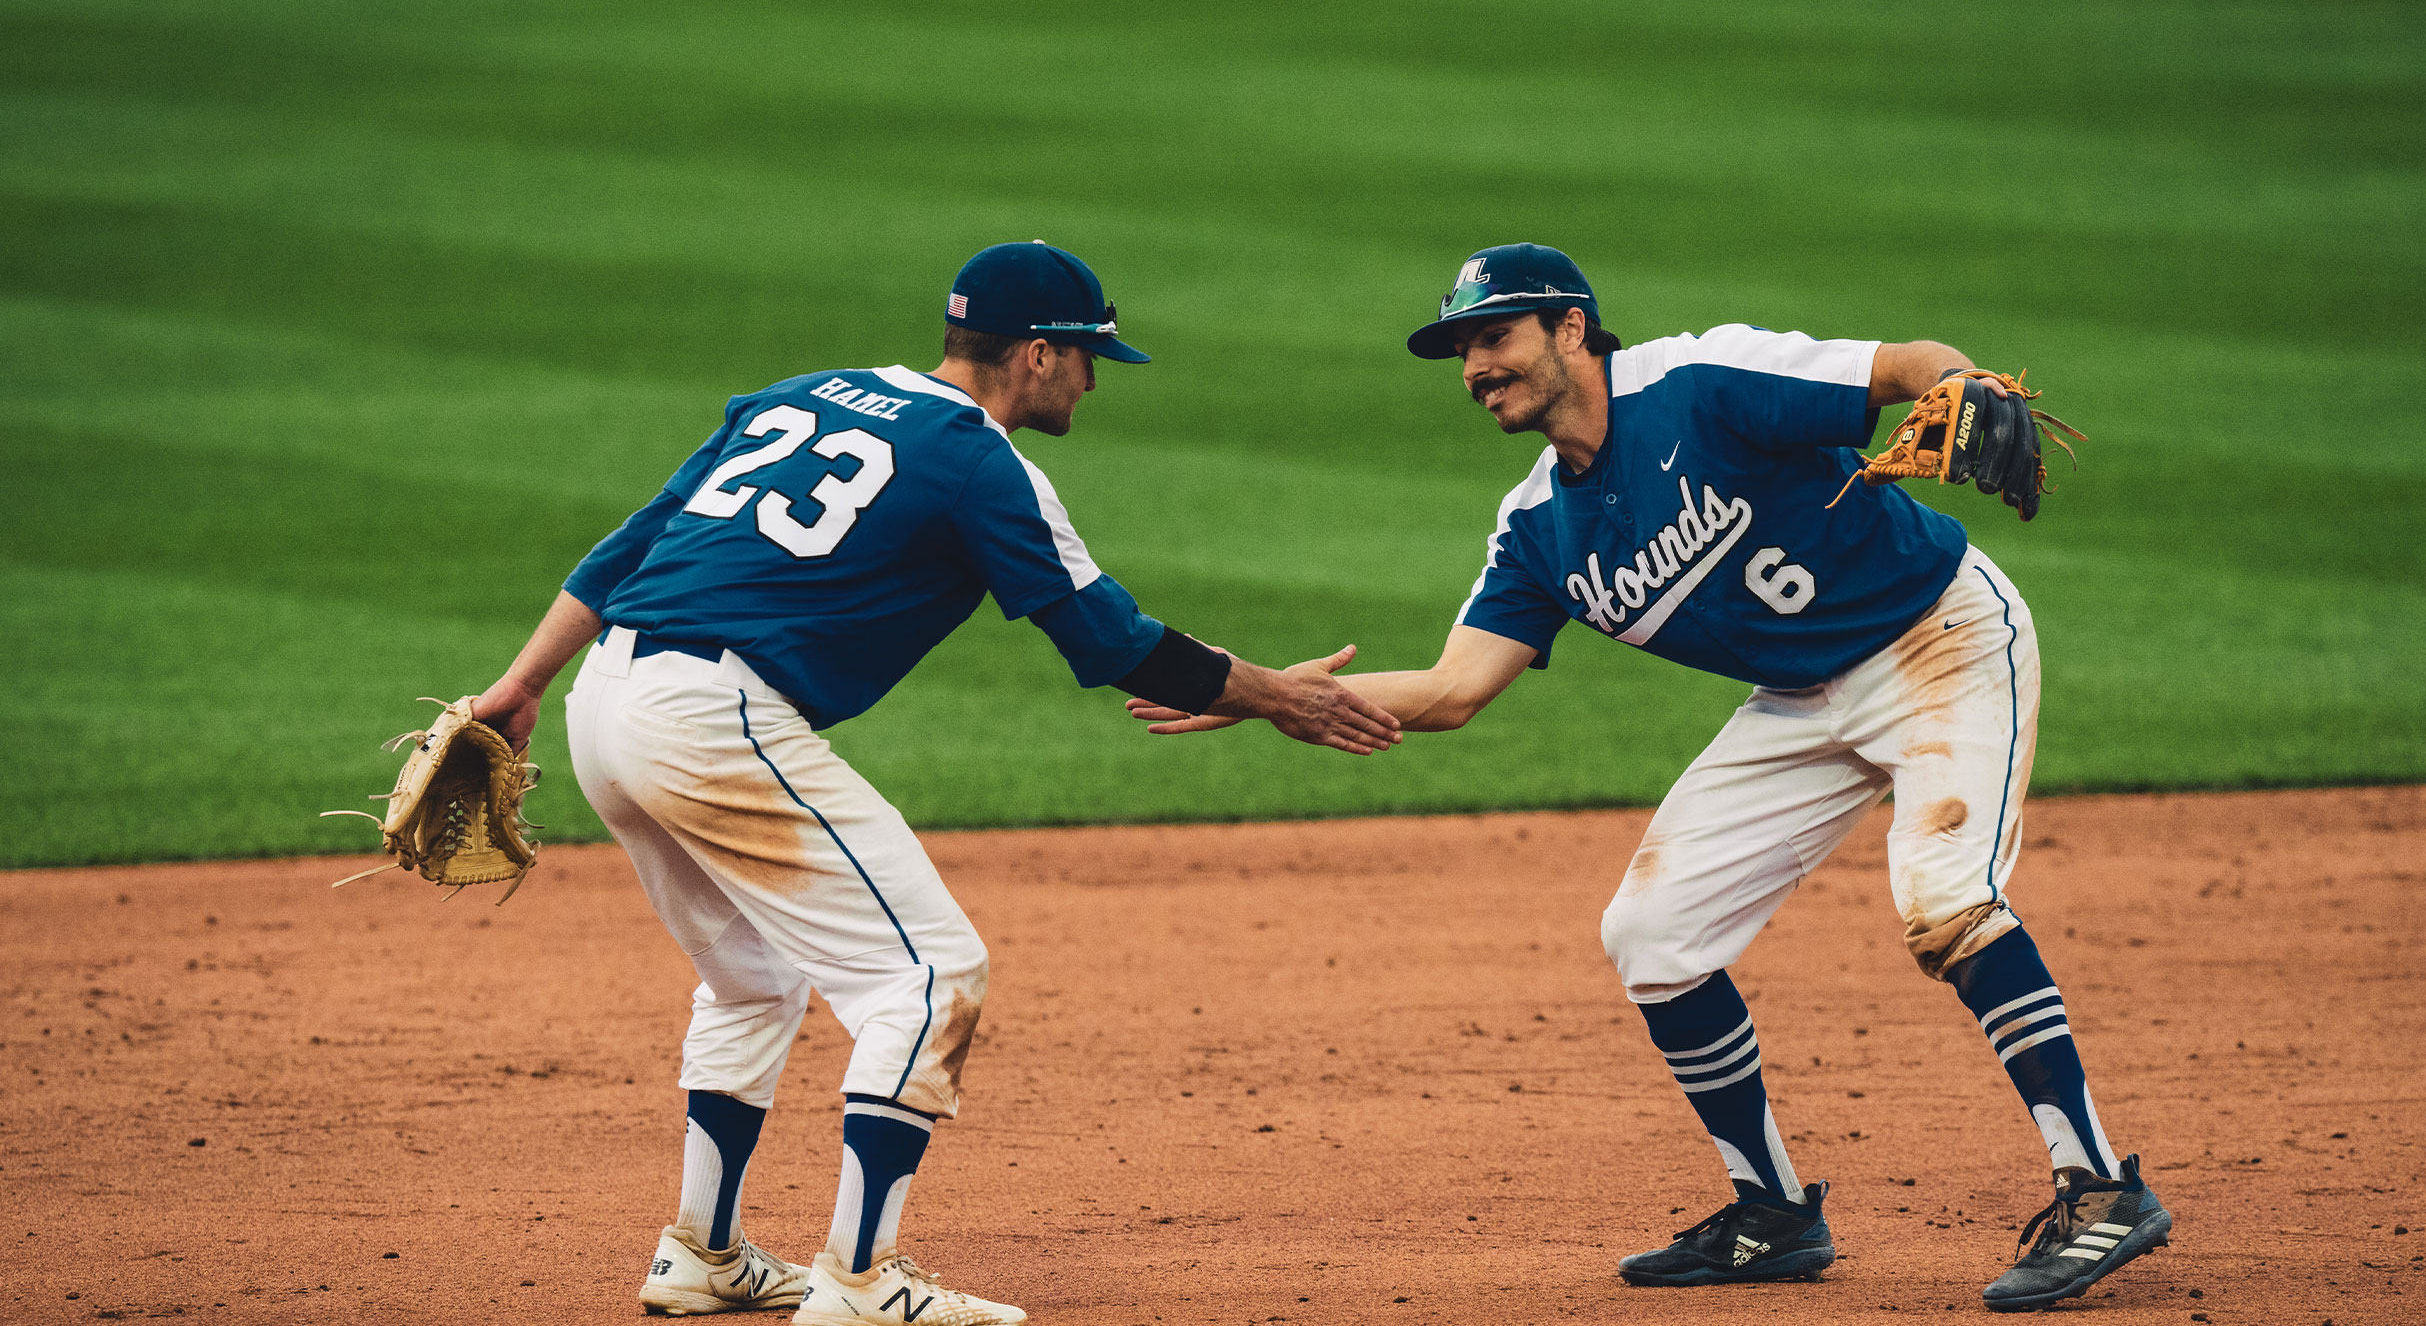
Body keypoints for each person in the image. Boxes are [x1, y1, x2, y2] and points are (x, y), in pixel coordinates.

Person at [1128, 244, 2169, 1313]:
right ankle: (1771, 1211)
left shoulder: (1698, 382)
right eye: (1459, 349)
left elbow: (1907, 365)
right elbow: (1453, 688)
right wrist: (1258, 693)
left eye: (1494, 337)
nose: (1473, 365)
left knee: (1944, 898)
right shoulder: (1537, 526)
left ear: (1571, 328)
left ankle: (2099, 1187)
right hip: (1799, 702)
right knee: (1653, 936)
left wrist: (1969, 383)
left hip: (1935, 637)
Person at [471, 241, 1401, 1325]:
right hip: (710, 717)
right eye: (1091, 357)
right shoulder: (978, 458)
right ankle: (860, 1281)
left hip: (604, 700)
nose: (1095, 381)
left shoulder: (801, 393)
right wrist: (1278, 696)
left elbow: (628, 546)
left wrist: (519, 683)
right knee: (929, 976)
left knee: (753, 976)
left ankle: (704, 1254)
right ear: (1040, 356)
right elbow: (1108, 640)